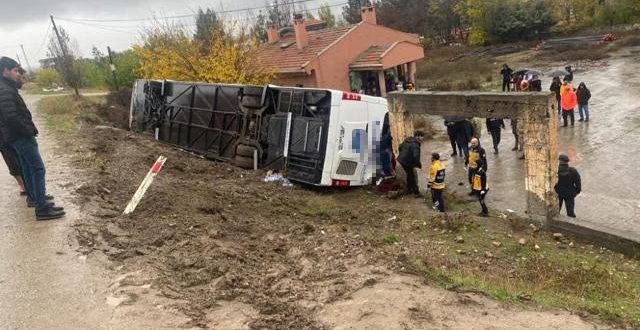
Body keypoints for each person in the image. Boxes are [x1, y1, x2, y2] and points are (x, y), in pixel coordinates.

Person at [0, 57, 65, 220]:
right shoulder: (4, 89)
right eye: (15, 70)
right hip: (20, 136)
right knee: (37, 168)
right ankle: (42, 209)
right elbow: (11, 117)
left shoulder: (6, 87)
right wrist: (28, 130)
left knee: (28, 168)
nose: (17, 74)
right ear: (6, 71)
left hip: (16, 136)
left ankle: (37, 200)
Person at [398, 130, 424, 196]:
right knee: (411, 176)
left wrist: (403, 154)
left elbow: (400, 147)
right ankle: (416, 192)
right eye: (422, 137)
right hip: (406, 161)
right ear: (418, 136)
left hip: (401, 159)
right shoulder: (415, 144)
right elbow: (416, 156)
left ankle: (409, 190)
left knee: (409, 174)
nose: (422, 138)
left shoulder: (408, 139)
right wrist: (418, 164)